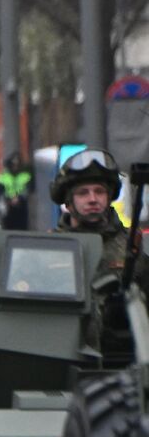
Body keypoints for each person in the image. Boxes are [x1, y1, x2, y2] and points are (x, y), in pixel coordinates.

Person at [51, 148, 146, 347]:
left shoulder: (133, 246)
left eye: (100, 191)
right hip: (63, 356)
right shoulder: (49, 248)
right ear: (68, 203)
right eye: (83, 193)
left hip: (125, 362)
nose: (93, 199)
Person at [0, 153, 32, 231]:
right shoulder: (3, 176)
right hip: (8, 208)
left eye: (17, 165)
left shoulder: (25, 176)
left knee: (22, 230)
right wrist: (8, 200)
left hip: (21, 208)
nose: (15, 167)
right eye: (14, 165)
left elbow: (28, 190)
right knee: (7, 229)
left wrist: (19, 198)